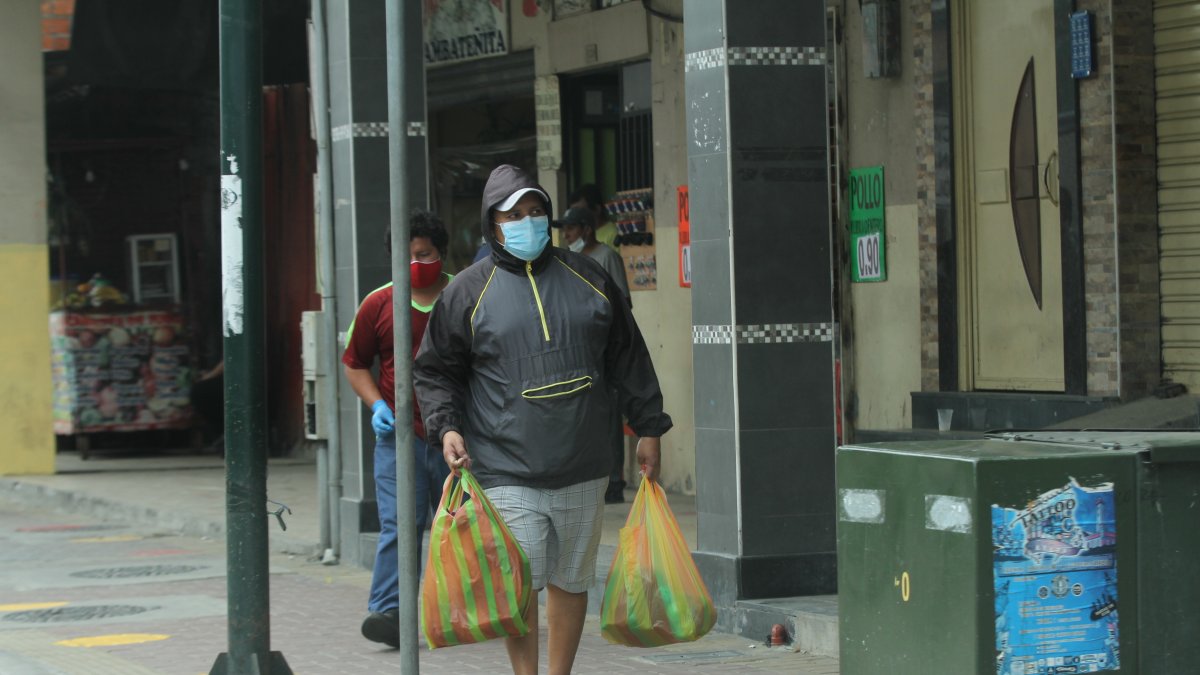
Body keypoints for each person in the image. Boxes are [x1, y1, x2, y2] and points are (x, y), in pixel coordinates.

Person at [414, 164, 672, 675]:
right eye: (514, 215)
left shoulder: (589, 276)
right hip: (505, 465)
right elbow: (436, 370)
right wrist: (447, 426)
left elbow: (627, 355)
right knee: (519, 582)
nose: (527, 222)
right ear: (493, 224)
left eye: (535, 212)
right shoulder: (466, 291)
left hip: (583, 461)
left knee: (572, 579)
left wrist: (649, 427)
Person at [342, 210, 453, 649]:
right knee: (399, 526)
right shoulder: (378, 303)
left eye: (424, 254)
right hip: (399, 438)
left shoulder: (466, 294)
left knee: (462, 526)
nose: (415, 264)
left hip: (458, 436)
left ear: (441, 253)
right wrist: (377, 405)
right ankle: (389, 612)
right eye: (405, 257)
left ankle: (468, 609)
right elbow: (354, 364)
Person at [555, 206, 631, 502]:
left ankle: (614, 481)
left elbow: (622, 304)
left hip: (604, 348)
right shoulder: (566, 260)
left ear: (586, 229)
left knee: (610, 414)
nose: (566, 235)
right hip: (576, 349)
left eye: (571, 229)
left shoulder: (606, 257)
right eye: (564, 229)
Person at [568, 183, 618, 252]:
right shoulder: (577, 234)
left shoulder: (613, 234)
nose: (576, 216)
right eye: (573, 212)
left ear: (597, 209)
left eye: (581, 211)